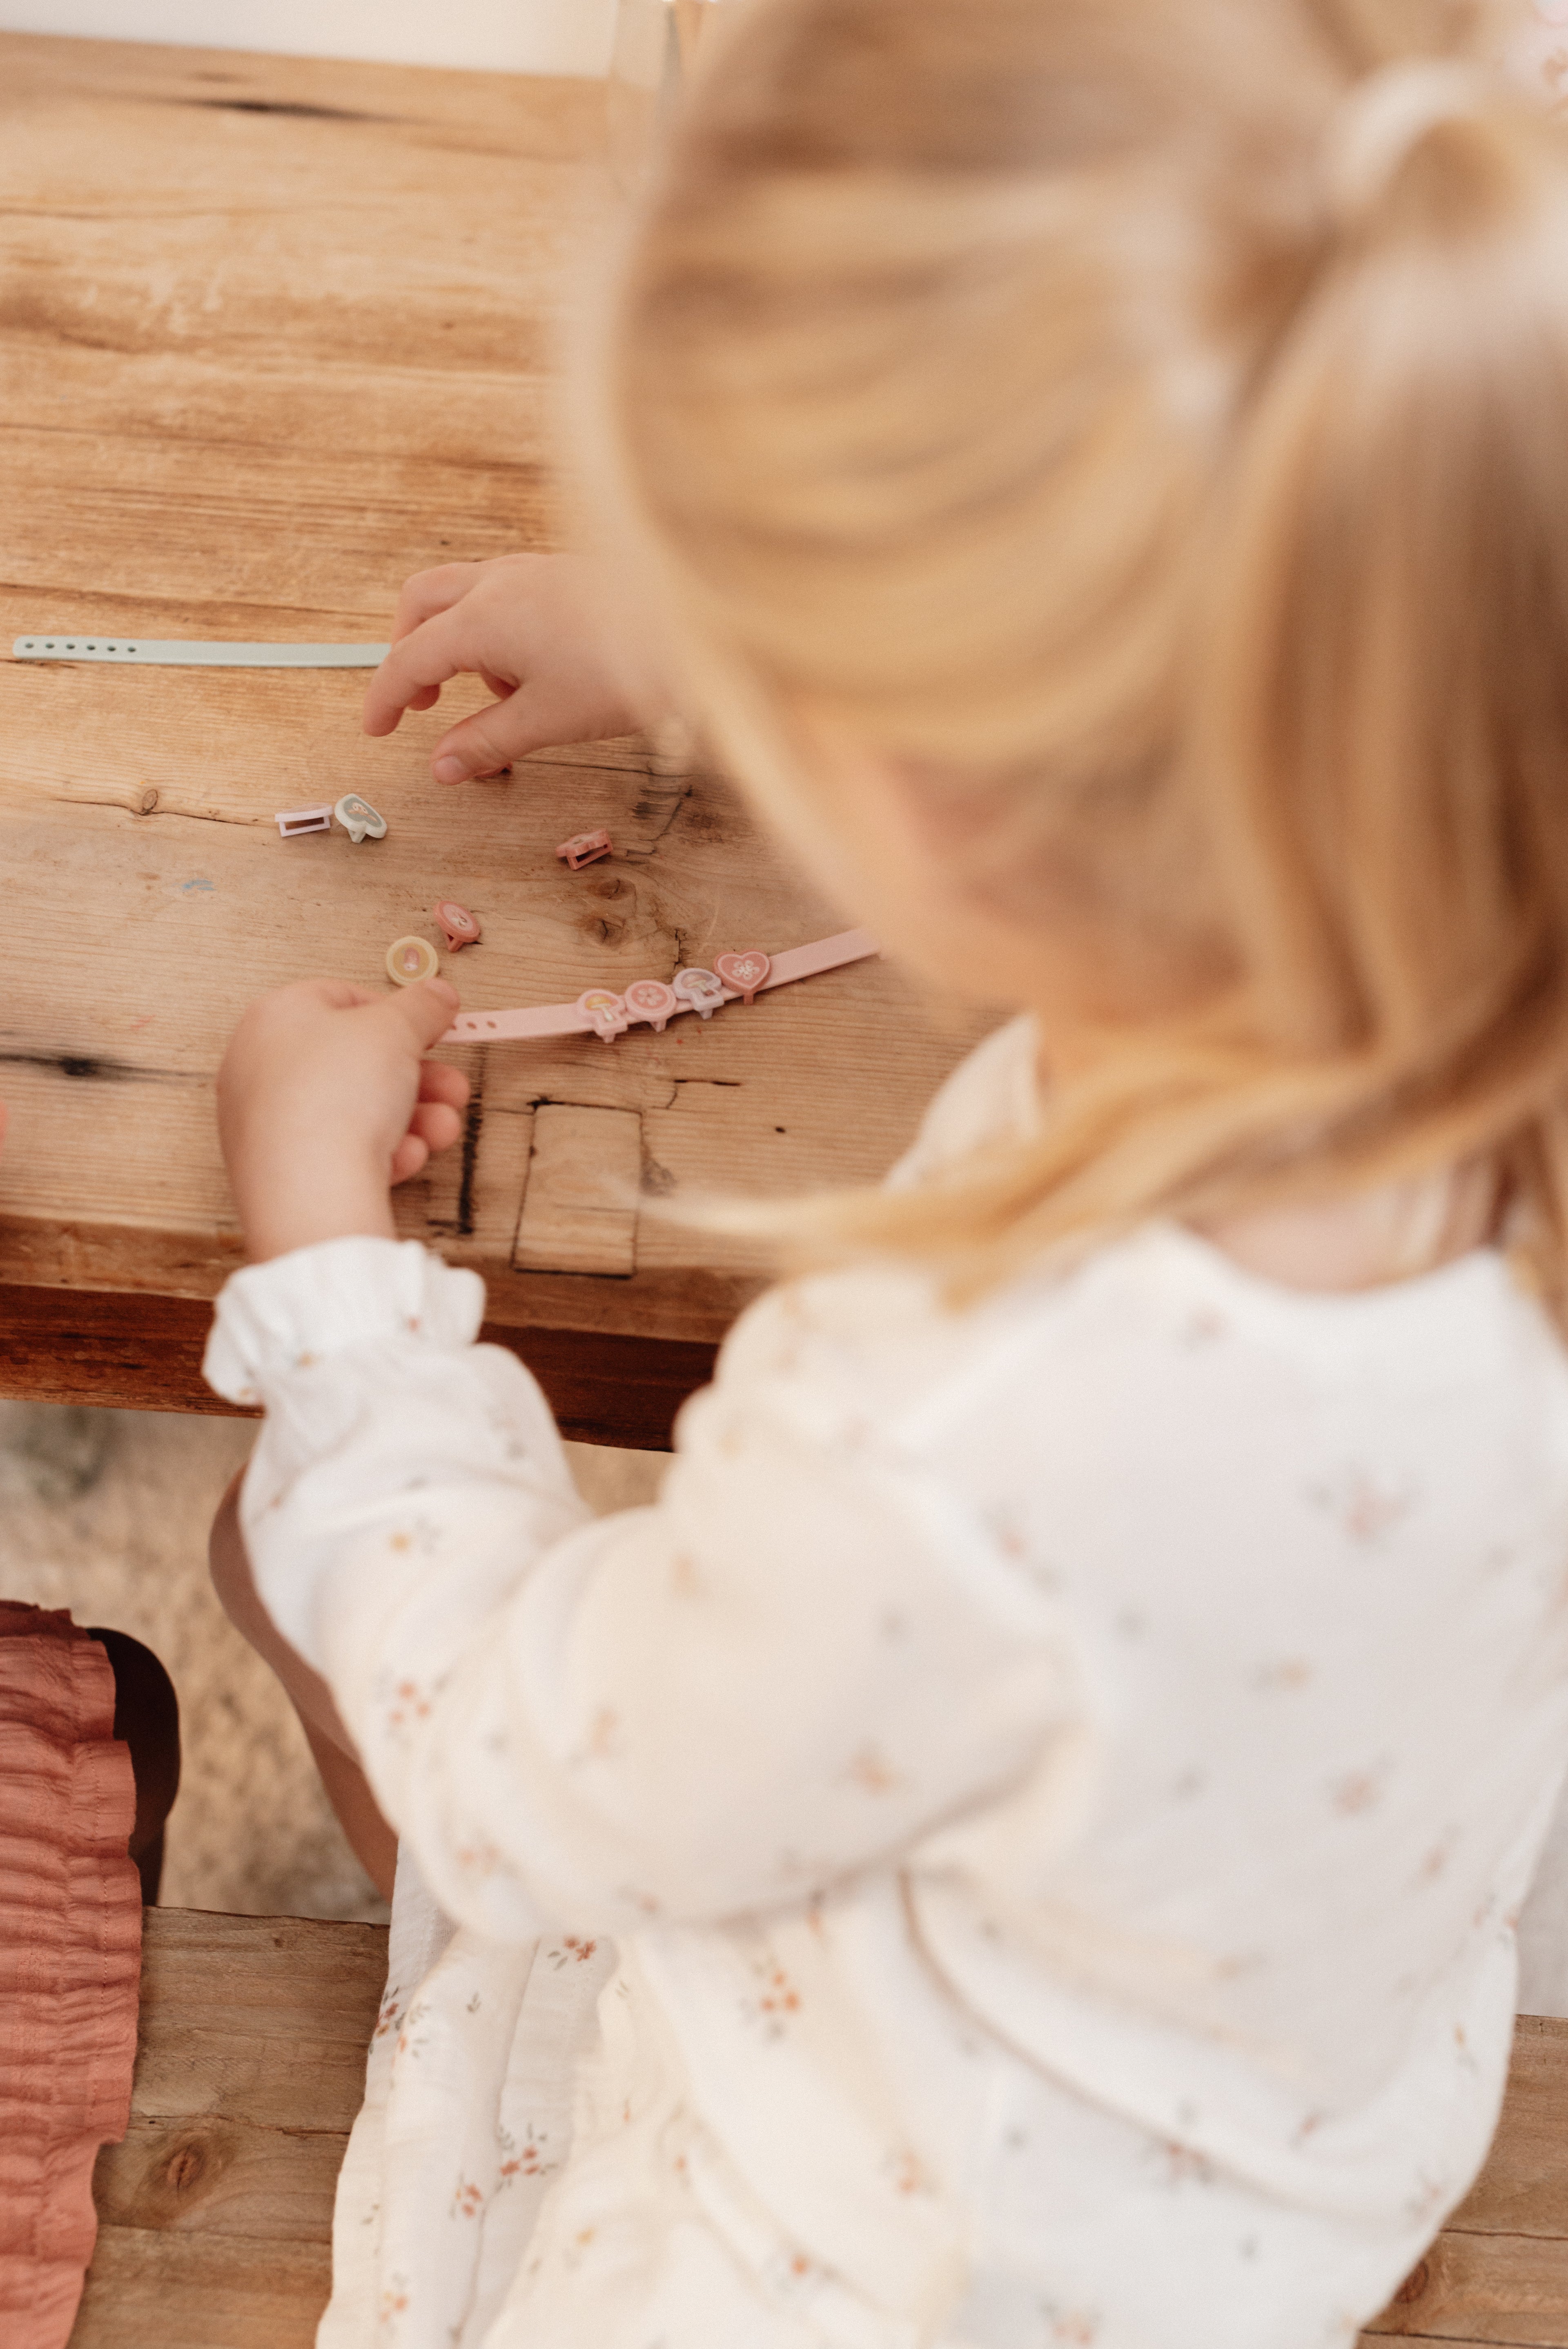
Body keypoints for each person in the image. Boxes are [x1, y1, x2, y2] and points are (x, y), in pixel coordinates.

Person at [205, 2, 1568, 2342]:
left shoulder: (953, 1420)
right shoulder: (1471, 890)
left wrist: (333, 1281)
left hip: (912, 2256)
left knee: (278, 1555)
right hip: (1287, 2107)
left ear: (930, 769)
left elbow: (526, 1768)